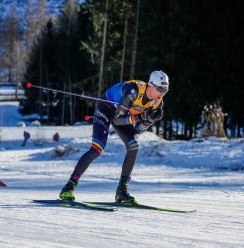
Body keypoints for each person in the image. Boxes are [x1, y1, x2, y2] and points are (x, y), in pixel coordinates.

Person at [59, 70, 169, 203]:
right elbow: (117, 119)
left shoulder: (158, 103)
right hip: (106, 108)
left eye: (165, 90)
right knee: (97, 149)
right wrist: (140, 116)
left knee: (134, 145)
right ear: (150, 85)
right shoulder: (133, 91)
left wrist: (149, 121)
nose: (162, 94)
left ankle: (121, 191)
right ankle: (69, 186)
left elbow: (138, 130)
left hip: (123, 116)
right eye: (160, 89)